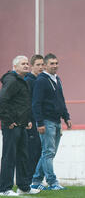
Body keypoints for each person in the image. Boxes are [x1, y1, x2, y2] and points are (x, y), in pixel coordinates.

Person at [31, 53, 72, 191]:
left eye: (56, 63)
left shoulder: (57, 79)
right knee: (48, 152)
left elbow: (61, 100)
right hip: (47, 121)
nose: (55, 66)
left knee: (49, 153)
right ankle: (52, 181)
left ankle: (36, 180)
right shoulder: (41, 81)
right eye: (52, 64)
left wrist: (66, 117)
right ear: (45, 65)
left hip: (56, 121)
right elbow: (36, 103)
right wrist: (40, 123)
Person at [0, 56, 40, 196]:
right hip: (11, 126)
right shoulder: (11, 81)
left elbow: (22, 104)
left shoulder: (22, 81)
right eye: (23, 64)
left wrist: (27, 119)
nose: (26, 66)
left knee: (23, 156)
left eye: (27, 63)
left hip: (22, 125)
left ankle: (24, 187)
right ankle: (5, 188)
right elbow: (2, 100)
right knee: (9, 156)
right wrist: (8, 120)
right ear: (15, 66)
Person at [24, 54, 45, 184]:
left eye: (43, 64)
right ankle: (31, 179)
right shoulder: (28, 81)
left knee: (40, 151)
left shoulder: (42, 80)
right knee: (32, 151)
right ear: (32, 66)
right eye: (38, 65)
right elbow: (27, 103)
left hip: (41, 121)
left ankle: (37, 180)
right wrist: (28, 119)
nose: (41, 67)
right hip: (31, 122)